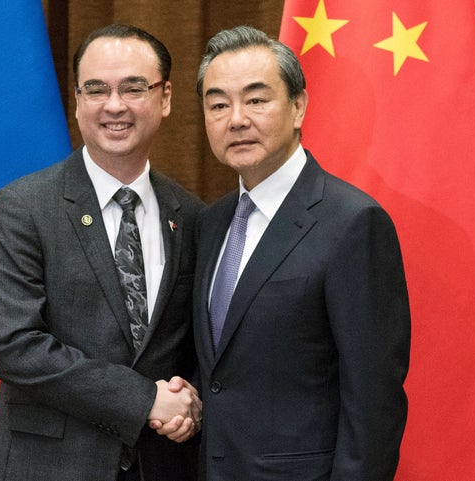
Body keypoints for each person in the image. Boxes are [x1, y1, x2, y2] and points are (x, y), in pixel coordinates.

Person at [0, 24, 204, 481]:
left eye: (134, 88)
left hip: (160, 465)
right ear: (77, 101)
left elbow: (196, 342)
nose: (114, 105)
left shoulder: (193, 215)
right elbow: (12, 344)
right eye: (96, 89)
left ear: (165, 98)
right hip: (46, 466)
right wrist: (143, 400)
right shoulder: (23, 206)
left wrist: (190, 400)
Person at [192, 26, 411, 480]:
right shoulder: (210, 225)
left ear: (298, 107)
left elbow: (373, 401)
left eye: (256, 100)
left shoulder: (352, 223)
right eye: (218, 105)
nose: (236, 119)